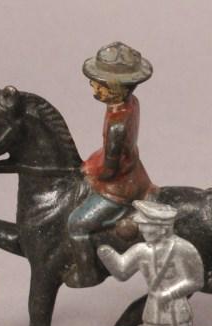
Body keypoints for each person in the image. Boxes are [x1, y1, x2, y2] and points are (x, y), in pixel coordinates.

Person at [66, 41, 156, 288]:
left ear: (115, 88)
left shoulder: (117, 124)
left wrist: (92, 172)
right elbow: (114, 152)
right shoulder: (130, 104)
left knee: (76, 223)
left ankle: (86, 273)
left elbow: (110, 169)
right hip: (136, 172)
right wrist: (93, 160)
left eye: (99, 83)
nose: (93, 85)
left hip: (119, 189)